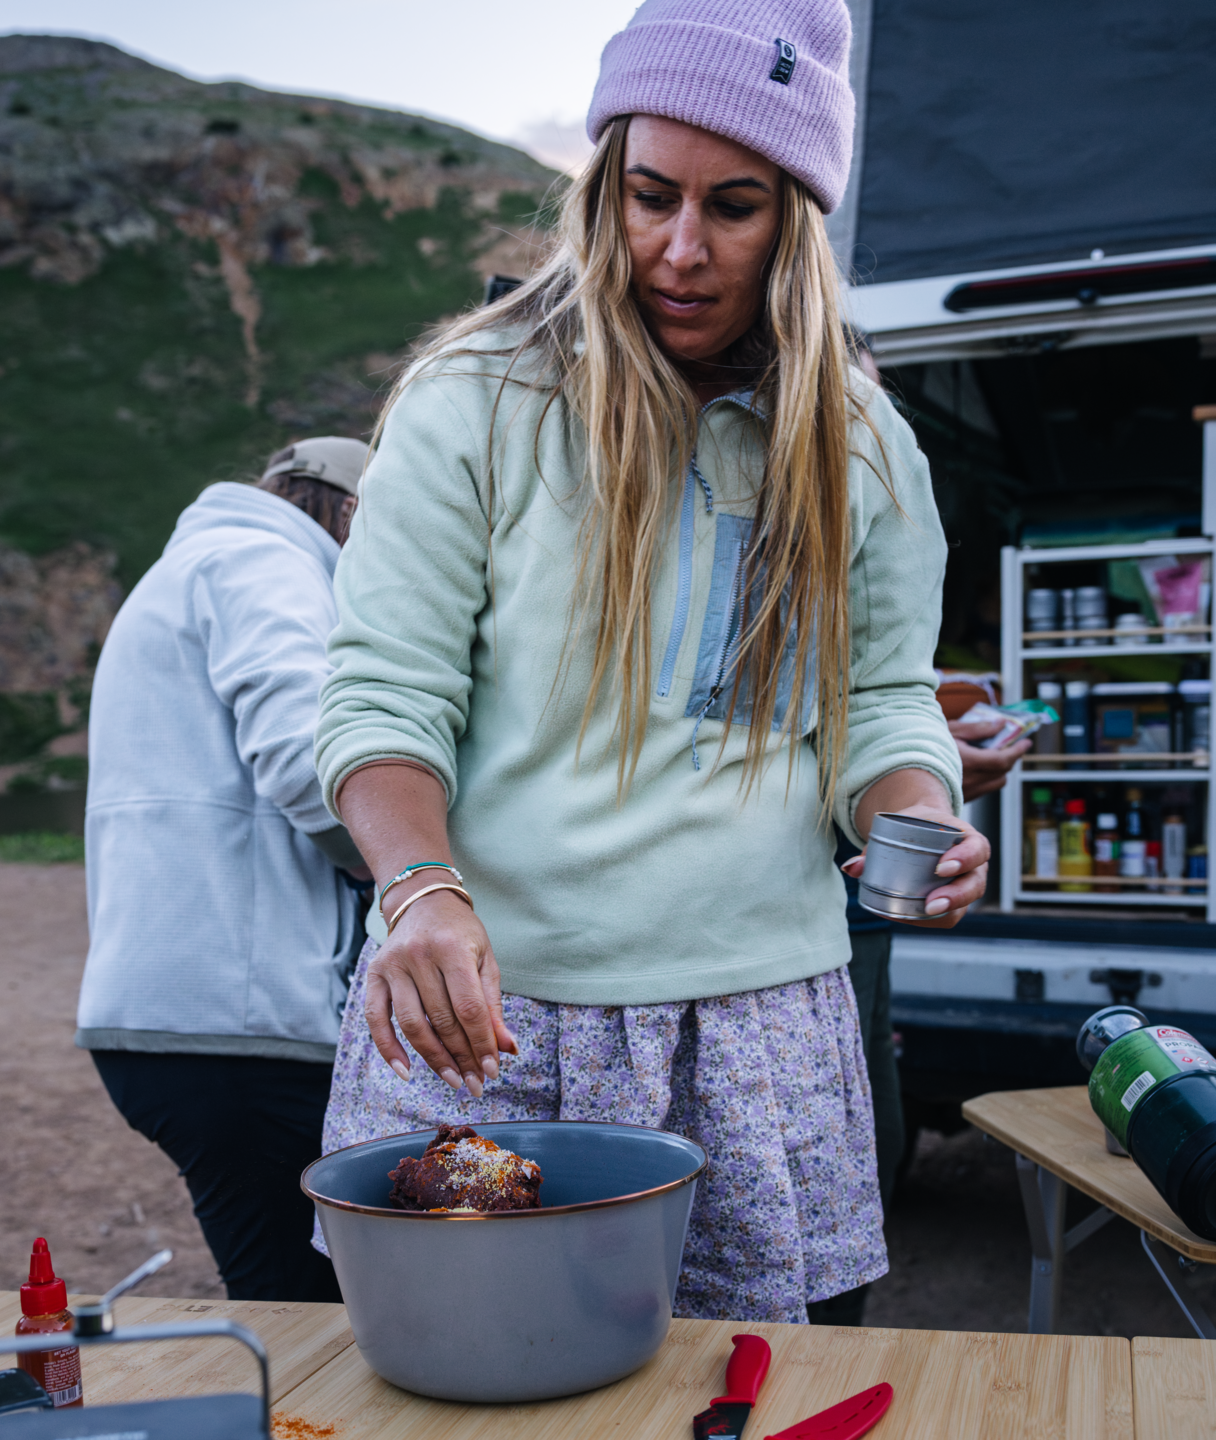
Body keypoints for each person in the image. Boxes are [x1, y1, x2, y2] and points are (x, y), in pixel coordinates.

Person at [312, 0, 988, 1324]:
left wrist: (922, 812)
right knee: (476, 1386)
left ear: (798, 217)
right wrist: (420, 894)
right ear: (602, 181)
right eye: (650, 194)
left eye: (734, 206)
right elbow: (386, 700)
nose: (681, 249)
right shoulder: (477, 402)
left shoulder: (862, 446)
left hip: (759, 1026)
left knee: (750, 1397)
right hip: (489, 1015)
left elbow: (886, 706)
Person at [77, 436, 370, 1303]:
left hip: (177, 1016)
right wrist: (410, 869)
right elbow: (312, 765)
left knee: (289, 1290)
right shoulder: (264, 564)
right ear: (352, 514)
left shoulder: (190, 567)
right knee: (311, 1307)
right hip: (241, 1024)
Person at [808, 713, 1029, 1325]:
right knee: (829, 1173)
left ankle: (821, 1365)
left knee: (867, 1152)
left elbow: (882, 705)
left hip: (858, 927)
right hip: (794, 932)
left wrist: (923, 785)